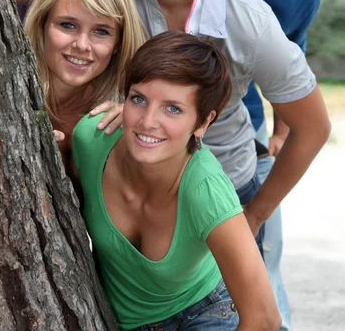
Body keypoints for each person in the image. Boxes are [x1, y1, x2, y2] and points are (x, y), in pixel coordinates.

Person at [5, 0, 331, 256]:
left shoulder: (247, 20)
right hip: (137, 194)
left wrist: (254, 214)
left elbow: (314, 126)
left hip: (222, 193)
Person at [210, 0, 344, 330]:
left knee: (264, 275)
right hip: (188, 137)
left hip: (251, 148)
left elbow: (294, 65)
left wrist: (281, 136)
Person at [73, 31, 281, 331]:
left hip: (205, 313)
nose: (147, 121)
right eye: (138, 99)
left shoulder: (205, 191)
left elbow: (264, 318)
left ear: (203, 122)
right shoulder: (91, 142)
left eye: (173, 108)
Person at [24, 0, 146, 163]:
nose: (82, 45)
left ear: (118, 43)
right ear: (42, 24)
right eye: (68, 25)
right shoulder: (8, 89)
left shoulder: (123, 110)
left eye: (101, 31)